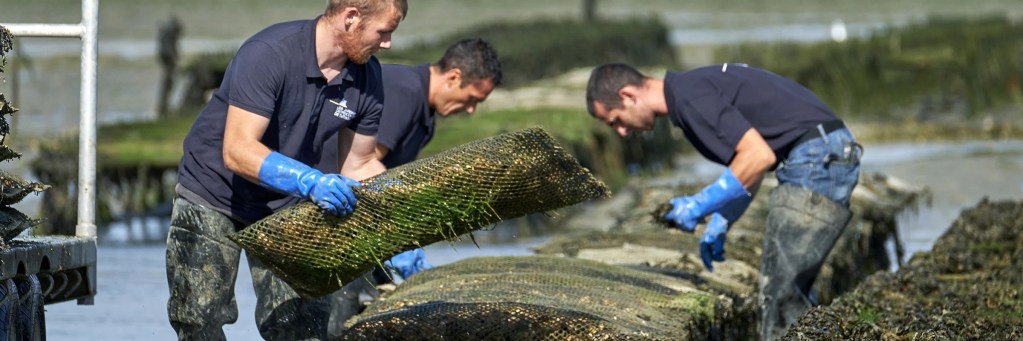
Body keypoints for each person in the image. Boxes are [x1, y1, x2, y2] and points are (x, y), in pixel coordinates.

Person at [165, 1, 408, 340]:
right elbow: (237, 151)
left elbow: (360, 164)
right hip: (214, 192)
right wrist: (309, 181)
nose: (387, 43)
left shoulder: (368, 77)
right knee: (199, 318)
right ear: (351, 18)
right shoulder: (269, 53)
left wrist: (396, 233)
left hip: (288, 204)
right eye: (384, 32)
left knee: (302, 325)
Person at [585, 62, 862, 340]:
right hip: (822, 153)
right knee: (789, 287)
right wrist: (723, 219)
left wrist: (700, 204)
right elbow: (751, 165)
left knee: (780, 291)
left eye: (615, 121)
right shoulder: (691, 90)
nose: (621, 132)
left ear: (628, 96)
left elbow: (758, 155)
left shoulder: (689, 98)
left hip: (818, 157)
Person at [322, 38, 502, 334]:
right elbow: (361, 169)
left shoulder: (424, 113)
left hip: (363, 218)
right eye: (472, 99)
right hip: (332, 212)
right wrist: (401, 236)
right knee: (340, 319)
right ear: (454, 77)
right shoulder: (405, 93)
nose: (471, 110)